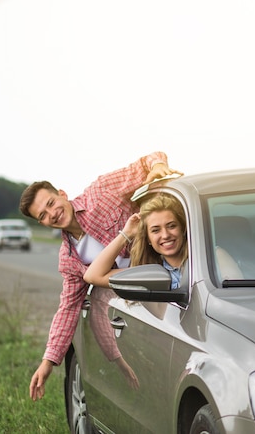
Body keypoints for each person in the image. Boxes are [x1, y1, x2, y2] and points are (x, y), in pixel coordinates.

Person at [19, 152, 182, 401]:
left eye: (50, 203)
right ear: (40, 223)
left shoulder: (102, 191)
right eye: (42, 215)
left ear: (62, 194)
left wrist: (158, 166)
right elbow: (68, 308)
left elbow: (146, 161)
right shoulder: (69, 258)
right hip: (135, 302)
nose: (51, 214)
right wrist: (48, 362)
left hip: (171, 274)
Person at [84, 193, 188, 288]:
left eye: (171, 226)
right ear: (148, 239)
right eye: (156, 230)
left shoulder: (202, 261)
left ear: (182, 229)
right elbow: (93, 276)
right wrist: (126, 234)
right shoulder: (152, 276)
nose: (165, 235)